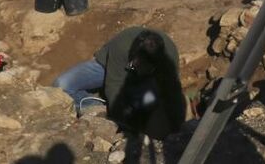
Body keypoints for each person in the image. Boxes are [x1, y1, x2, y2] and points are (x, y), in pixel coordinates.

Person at [52, 27, 186, 139]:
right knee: (61, 86)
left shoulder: (168, 61)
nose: (140, 69)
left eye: (145, 67)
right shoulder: (123, 44)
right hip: (111, 67)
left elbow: (172, 94)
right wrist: (121, 119)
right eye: (138, 64)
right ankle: (97, 107)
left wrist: (175, 128)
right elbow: (114, 84)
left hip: (145, 83)